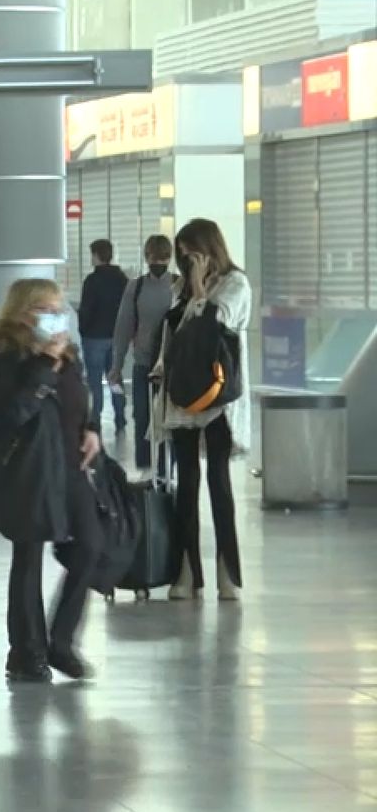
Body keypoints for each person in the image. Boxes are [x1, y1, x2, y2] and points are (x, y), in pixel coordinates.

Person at [0, 278, 102, 685]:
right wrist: (42, 368)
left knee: (90, 544)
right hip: (27, 469)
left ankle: (61, 640)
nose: (55, 316)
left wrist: (92, 428)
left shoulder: (68, 354)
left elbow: (81, 397)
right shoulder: (2, 356)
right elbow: (12, 414)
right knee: (28, 556)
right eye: (44, 309)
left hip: (69, 464)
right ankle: (26, 651)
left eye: (58, 308)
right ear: (23, 312)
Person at [155, 219, 249, 602]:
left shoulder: (235, 284)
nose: (185, 260)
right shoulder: (176, 288)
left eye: (191, 252)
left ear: (210, 249)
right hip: (181, 397)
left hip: (217, 397)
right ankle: (186, 571)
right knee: (187, 484)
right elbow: (174, 333)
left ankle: (228, 573)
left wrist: (197, 287)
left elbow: (213, 324)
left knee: (219, 484)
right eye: (181, 254)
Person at [111, 235, 177, 473]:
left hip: (173, 365)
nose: (157, 261)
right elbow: (123, 327)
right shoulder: (135, 287)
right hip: (143, 363)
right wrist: (116, 365)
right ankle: (146, 469)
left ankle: (167, 468)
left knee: (171, 419)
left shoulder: (180, 285)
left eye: (163, 257)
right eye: (153, 256)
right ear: (146, 257)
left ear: (170, 258)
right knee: (143, 417)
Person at [78, 239, 129, 433]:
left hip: (94, 338)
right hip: (116, 338)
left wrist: (84, 330)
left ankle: (95, 418)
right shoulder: (122, 279)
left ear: (97, 255)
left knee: (94, 381)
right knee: (115, 378)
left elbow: (86, 310)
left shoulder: (92, 281)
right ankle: (120, 415)